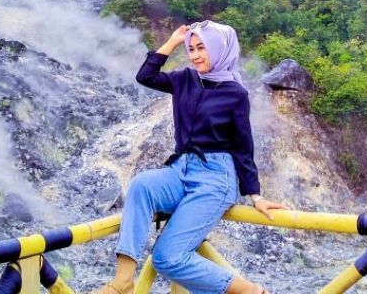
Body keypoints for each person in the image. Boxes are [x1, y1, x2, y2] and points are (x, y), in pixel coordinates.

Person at [96, 21, 286, 294]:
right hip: (180, 170)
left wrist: (255, 195)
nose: (196, 55)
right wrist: (173, 42)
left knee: (167, 257)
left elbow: (243, 146)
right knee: (142, 184)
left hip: (215, 178)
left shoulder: (236, 93)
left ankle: (249, 291)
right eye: (192, 48)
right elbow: (145, 76)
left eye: (203, 48)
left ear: (220, 49)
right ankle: (123, 282)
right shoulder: (184, 79)